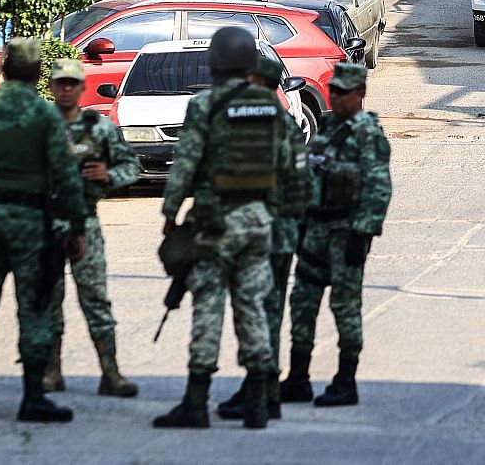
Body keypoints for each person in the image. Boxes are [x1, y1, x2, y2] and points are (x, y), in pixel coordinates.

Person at [155, 28, 300, 431]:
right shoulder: (273, 109)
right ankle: (257, 404)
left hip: (216, 222)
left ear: (215, 62)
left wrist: (170, 212)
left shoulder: (206, 106)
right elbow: (288, 169)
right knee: (252, 307)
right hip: (259, 222)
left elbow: (185, 164)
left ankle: (196, 403)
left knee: (209, 307)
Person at [0, 37, 88, 423]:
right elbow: (66, 176)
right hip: (32, 221)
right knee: (35, 306)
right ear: (40, 73)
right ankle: (32, 396)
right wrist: (76, 224)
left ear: (4, 70)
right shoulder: (45, 117)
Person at [280, 63, 392, 408]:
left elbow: (379, 188)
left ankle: (346, 381)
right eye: (334, 91)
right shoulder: (326, 130)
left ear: (361, 94)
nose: (338, 97)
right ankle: (298, 378)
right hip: (315, 232)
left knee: (344, 306)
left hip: (346, 233)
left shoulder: (367, 135)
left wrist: (363, 233)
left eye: (345, 92)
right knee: (302, 303)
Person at [216, 54, 310, 422]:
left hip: (259, 232)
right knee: (269, 308)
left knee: (255, 310)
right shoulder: (287, 123)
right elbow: (302, 180)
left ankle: (259, 386)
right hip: (282, 234)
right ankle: (265, 388)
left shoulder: (253, 121)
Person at [44, 59, 141, 397]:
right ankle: (50, 372)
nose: (67, 88)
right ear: (52, 87)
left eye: (73, 82)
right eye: (61, 83)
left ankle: (110, 373)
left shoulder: (99, 128)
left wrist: (109, 176)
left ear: (81, 87)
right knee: (47, 300)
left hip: (85, 220)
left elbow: (132, 164)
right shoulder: (39, 127)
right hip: (46, 224)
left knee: (96, 299)